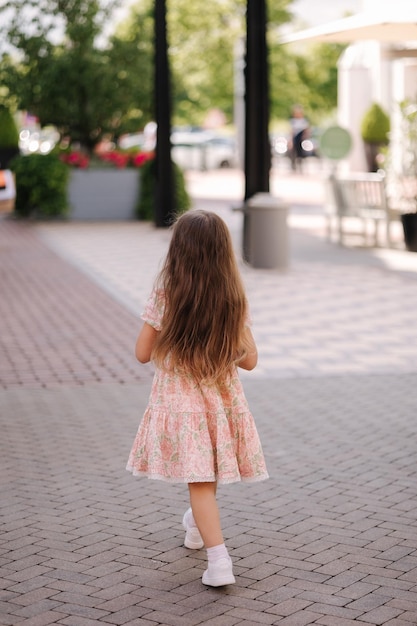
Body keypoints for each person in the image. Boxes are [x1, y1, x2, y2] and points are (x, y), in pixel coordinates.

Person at [126, 209, 268, 587]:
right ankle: (195, 525)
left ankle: (219, 561)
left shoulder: (167, 294)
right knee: (205, 476)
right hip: (220, 404)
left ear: (178, 252)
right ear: (224, 253)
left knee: (200, 484)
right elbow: (250, 360)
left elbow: (142, 353)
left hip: (182, 403)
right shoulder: (233, 299)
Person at [289, 104, 310, 172]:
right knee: (293, 153)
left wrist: (305, 138)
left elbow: (306, 131)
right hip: (295, 139)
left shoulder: (304, 121)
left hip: (301, 140)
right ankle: (294, 166)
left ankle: (300, 166)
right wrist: (291, 141)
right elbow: (292, 131)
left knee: (300, 153)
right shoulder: (293, 121)